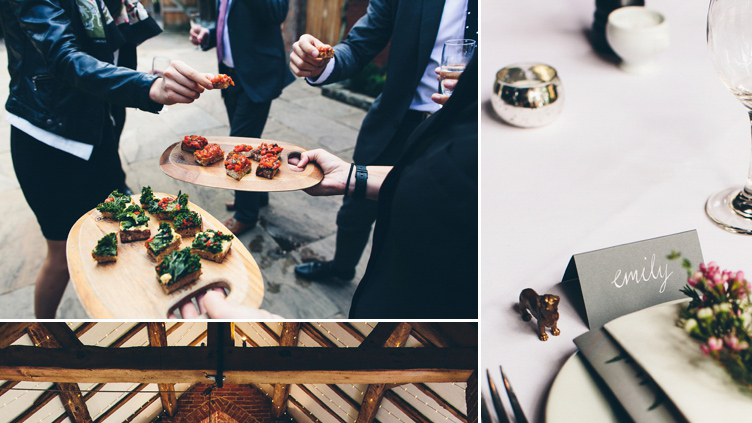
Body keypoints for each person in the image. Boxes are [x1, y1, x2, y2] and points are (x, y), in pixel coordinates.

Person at [0, 0, 210, 317]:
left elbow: (104, 53)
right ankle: (44, 329)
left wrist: (136, 76)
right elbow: (65, 59)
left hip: (98, 130)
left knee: (126, 232)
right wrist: (147, 86)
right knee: (60, 257)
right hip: (48, 138)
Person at [289, 0, 475, 285]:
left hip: (466, 130)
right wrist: (320, 64)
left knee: (427, 222)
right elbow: (358, 45)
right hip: (398, 119)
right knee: (356, 207)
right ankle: (341, 268)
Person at [190, 0, 294, 235]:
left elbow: (276, 12)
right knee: (247, 138)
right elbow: (231, 23)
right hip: (232, 77)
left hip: (257, 74)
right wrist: (208, 35)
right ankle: (257, 197)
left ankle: (246, 215)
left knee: (239, 146)